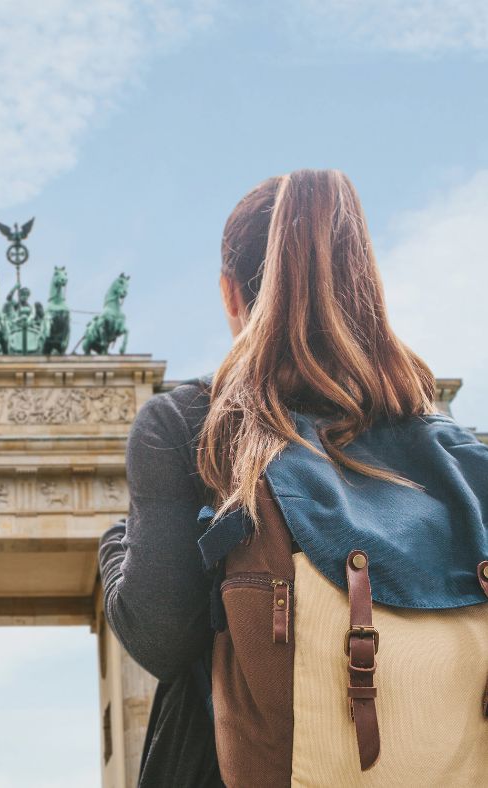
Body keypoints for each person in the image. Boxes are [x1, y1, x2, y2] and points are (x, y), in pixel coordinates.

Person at [99, 169, 488, 786]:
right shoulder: (454, 453)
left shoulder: (192, 424)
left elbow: (161, 638)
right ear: (362, 282)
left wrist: (116, 544)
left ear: (230, 293)